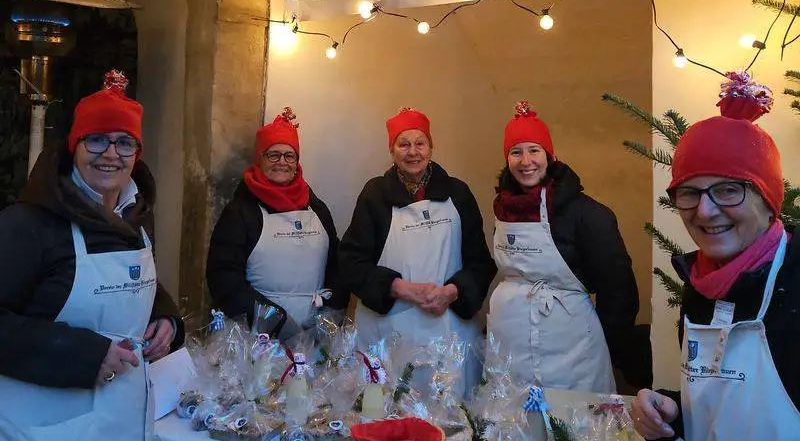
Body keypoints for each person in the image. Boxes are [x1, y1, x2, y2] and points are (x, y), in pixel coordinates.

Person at [0, 70, 184, 441]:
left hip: (119, 435)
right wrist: (86, 354)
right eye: (97, 141)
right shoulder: (28, 225)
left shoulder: (131, 219)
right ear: (72, 147)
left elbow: (147, 293)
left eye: (124, 142)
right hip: (44, 435)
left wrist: (169, 323)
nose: (111, 153)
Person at [630, 72, 800, 441]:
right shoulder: (703, 290)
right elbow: (728, 407)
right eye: (688, 193)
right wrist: (670, 414)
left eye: (728, 190)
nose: (705, 211)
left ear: (766, 196)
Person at [487, 101, 646, 392]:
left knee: (575, 426)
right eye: (516, 152)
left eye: (534, 150)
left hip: (572, 347)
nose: (526, 162)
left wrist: (608, 343)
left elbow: (618, 289)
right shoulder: (502, 209)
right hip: (512, 341)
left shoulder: (588, 214)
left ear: (550, 156)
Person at [339, 107, 495, 392]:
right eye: (403, 144)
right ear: (392, 150)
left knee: (452, 420)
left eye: (420, 143)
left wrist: (452, 291)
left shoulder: (458, 193)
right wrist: (402, 289)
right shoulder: (375, 195)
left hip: (450, 332)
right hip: (388, 332)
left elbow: (481, 263)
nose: (412, 152)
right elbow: (351, 262)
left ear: (431, 148)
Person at [206, 107, 347, 338]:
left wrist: (330, 315)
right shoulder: (240, 212)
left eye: (289, 155)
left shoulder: (317, 208)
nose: (282, 162)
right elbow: (223, 277)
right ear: (260, 159)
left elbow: (336, 265)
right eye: (273, 155)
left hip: (314, 336)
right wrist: (275, 322)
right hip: (257, 337)